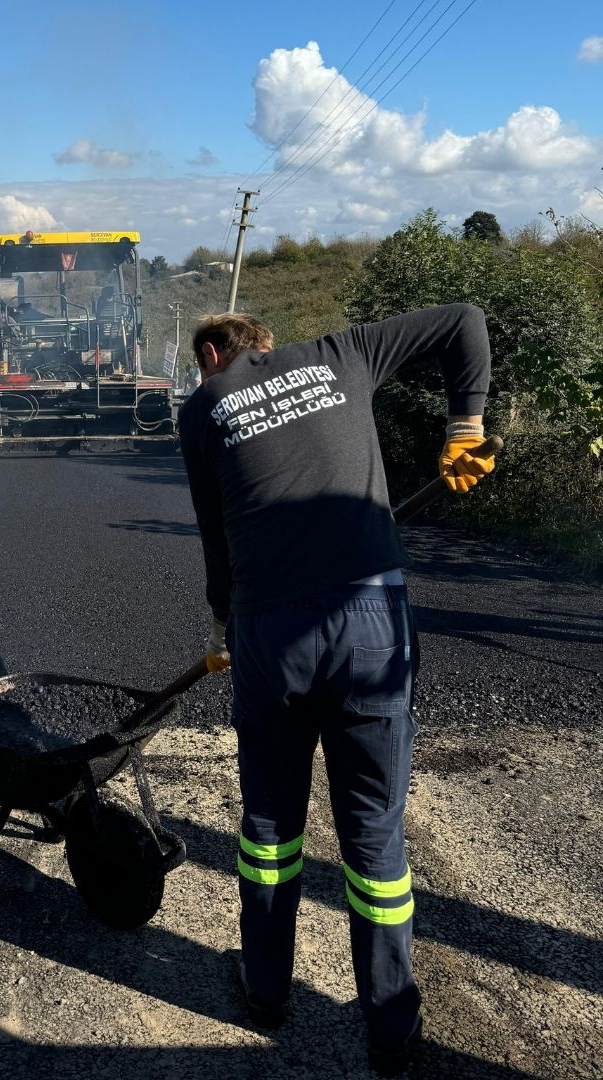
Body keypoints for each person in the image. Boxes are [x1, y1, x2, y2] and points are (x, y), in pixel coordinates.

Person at [178, 304, 494, 1077]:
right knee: (375, 837)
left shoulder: (203, 407)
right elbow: (463, 322)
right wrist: (465, 427)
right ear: (266, 342)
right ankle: (390, 1028)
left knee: (269, 829)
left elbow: (217, 537)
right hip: (372, 621)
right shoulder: (343, 353)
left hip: (272, 633)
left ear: (214, 352)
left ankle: (265, 992)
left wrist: (227, 623)